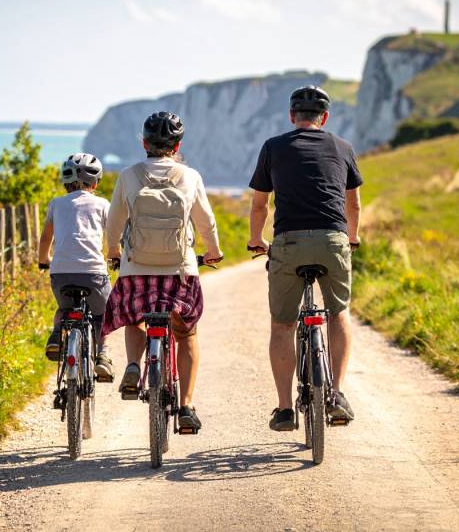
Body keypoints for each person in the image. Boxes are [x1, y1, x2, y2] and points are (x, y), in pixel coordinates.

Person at [247, 85, 363, 431]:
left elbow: (259, 204)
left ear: (291, 117)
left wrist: (256, 240)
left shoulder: (273, 147)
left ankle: (284, 409)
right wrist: (352, 238)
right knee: (338, 313)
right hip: (332, 240)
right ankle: (338, 394)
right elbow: (352, 203)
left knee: (283, 324)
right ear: (324, 118)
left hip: (288, 242)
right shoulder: (343, 147)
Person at [102, 112, 223, 432]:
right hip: (179, 270)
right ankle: (186, 406)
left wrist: (114, 253)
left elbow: (114, 221)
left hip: (136, 269)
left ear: (144, 143)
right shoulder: (190, 176)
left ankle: (132, 365)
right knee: (187, 332)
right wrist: (212, 252)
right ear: (178, 145)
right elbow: (205, 221)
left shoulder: (128, 176)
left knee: (134, 318)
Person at [38, 152, 114, 381]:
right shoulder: (102, 204)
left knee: (63, 309)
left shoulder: (56, 204)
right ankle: (102, 355)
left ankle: (55, 335)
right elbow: (113, 237)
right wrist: (116, 256)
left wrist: (44, 260)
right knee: (103, 314)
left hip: (61, 273)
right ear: (96, 182)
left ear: (65, 181)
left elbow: (45, 239)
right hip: (93, 274)